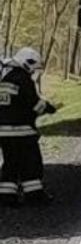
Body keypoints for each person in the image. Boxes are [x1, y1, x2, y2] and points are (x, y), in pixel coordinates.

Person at [0, 48, 57, 206]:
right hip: (22, 132)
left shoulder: (6, 79)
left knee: (10, 163)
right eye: (34, 67)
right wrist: (49, 108)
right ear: (28, 62)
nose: (34, 71)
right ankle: (34, 195)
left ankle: (6, 196)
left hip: (3, 134)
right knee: (30, 163)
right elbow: (34, 104)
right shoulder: (24, 80)